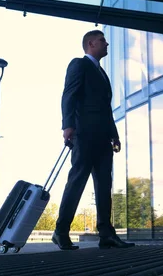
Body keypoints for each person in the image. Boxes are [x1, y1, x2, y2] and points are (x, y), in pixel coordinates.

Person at [52, 29, 135, 251]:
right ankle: (61, 232)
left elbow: (106, 109)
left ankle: (106, 234)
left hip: (103, 138)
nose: (106, 44)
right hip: (84, 134)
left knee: (104, 185)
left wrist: (114, 134)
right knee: (77, 181)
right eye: (102, 41)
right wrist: (68, 125)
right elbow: (68, 95)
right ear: (91, 44)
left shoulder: (102, 74)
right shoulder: (79, 64)